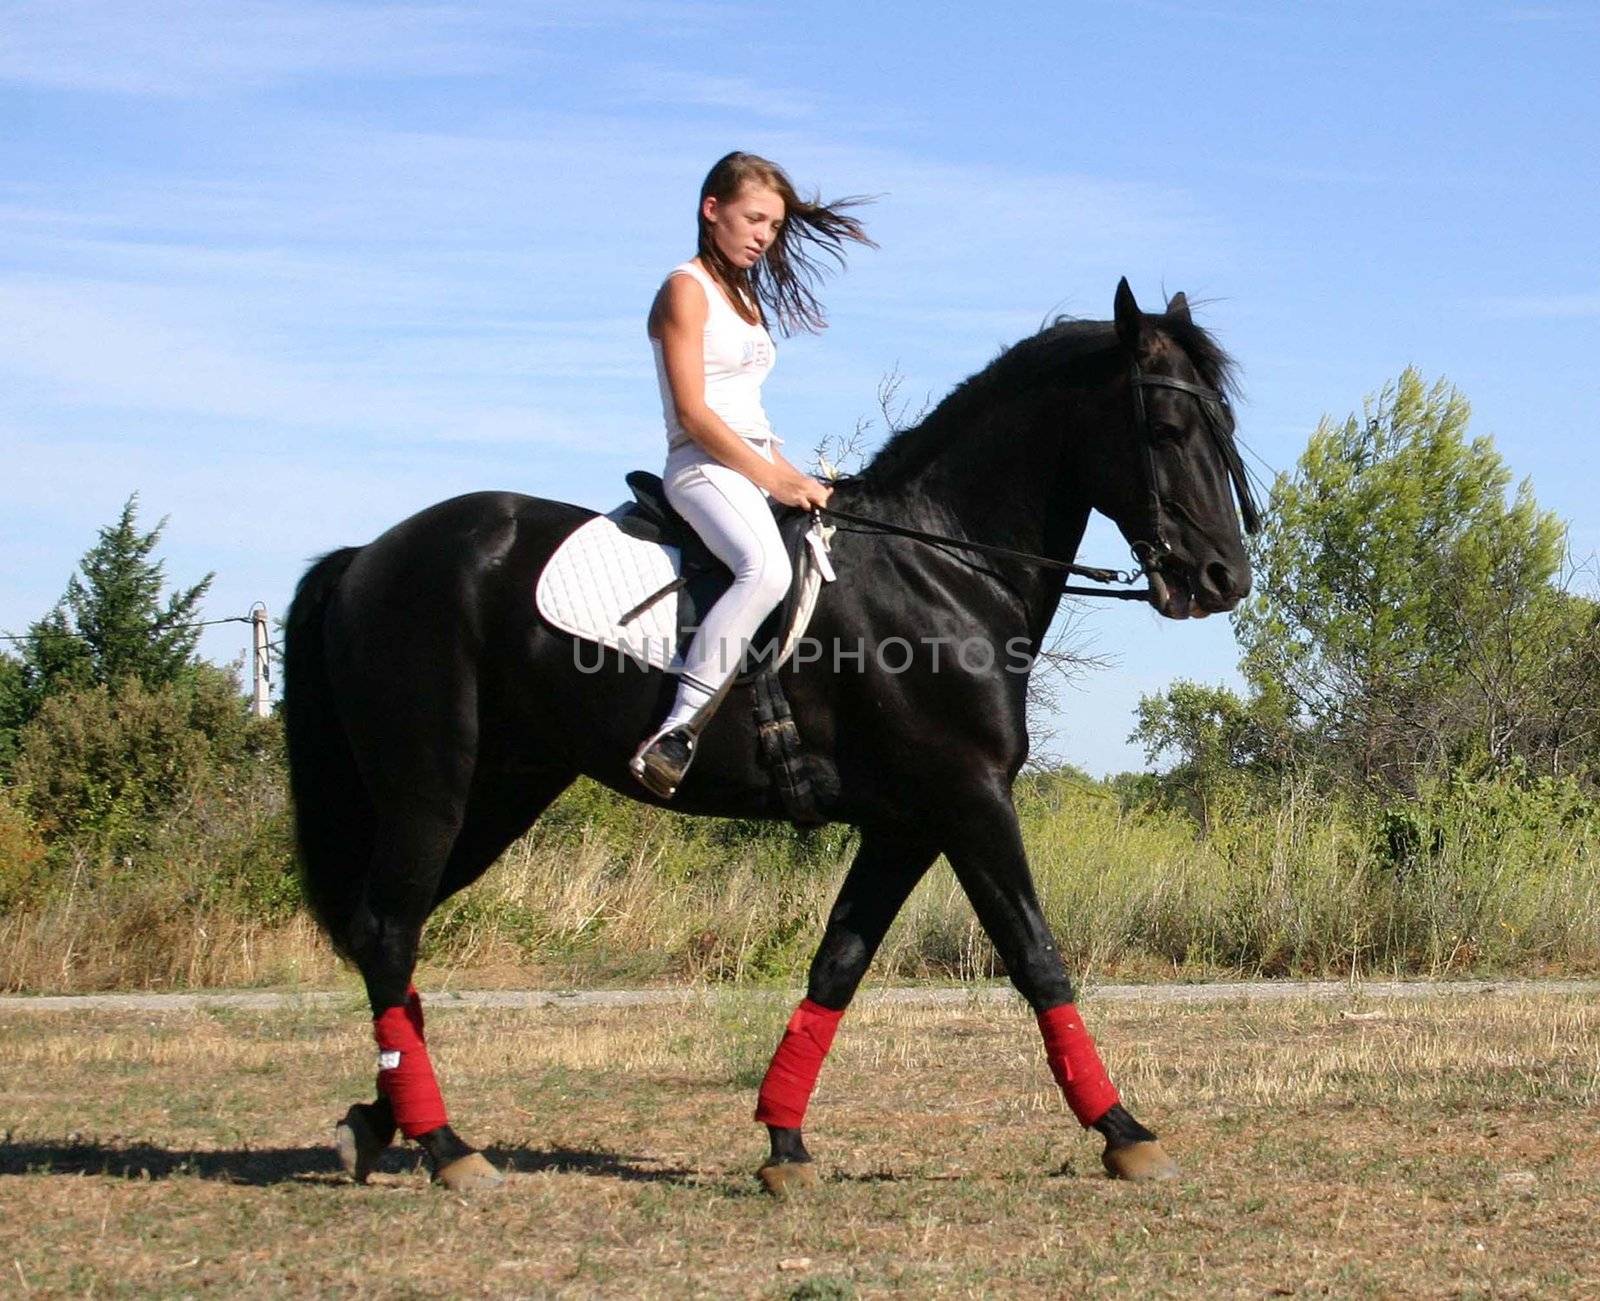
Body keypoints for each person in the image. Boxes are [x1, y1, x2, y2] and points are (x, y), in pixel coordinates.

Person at [630, 152, 873, 798]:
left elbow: (751, 416)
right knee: (763, 567)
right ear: (713, 210)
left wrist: (801, 481)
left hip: (747, 465)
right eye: (755, 218)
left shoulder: (741, 297)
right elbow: (695, 413)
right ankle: (677, 731)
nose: (764, 235)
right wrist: (774, 479)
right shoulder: (685, 288)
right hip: (701, 466)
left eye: (774, 225)